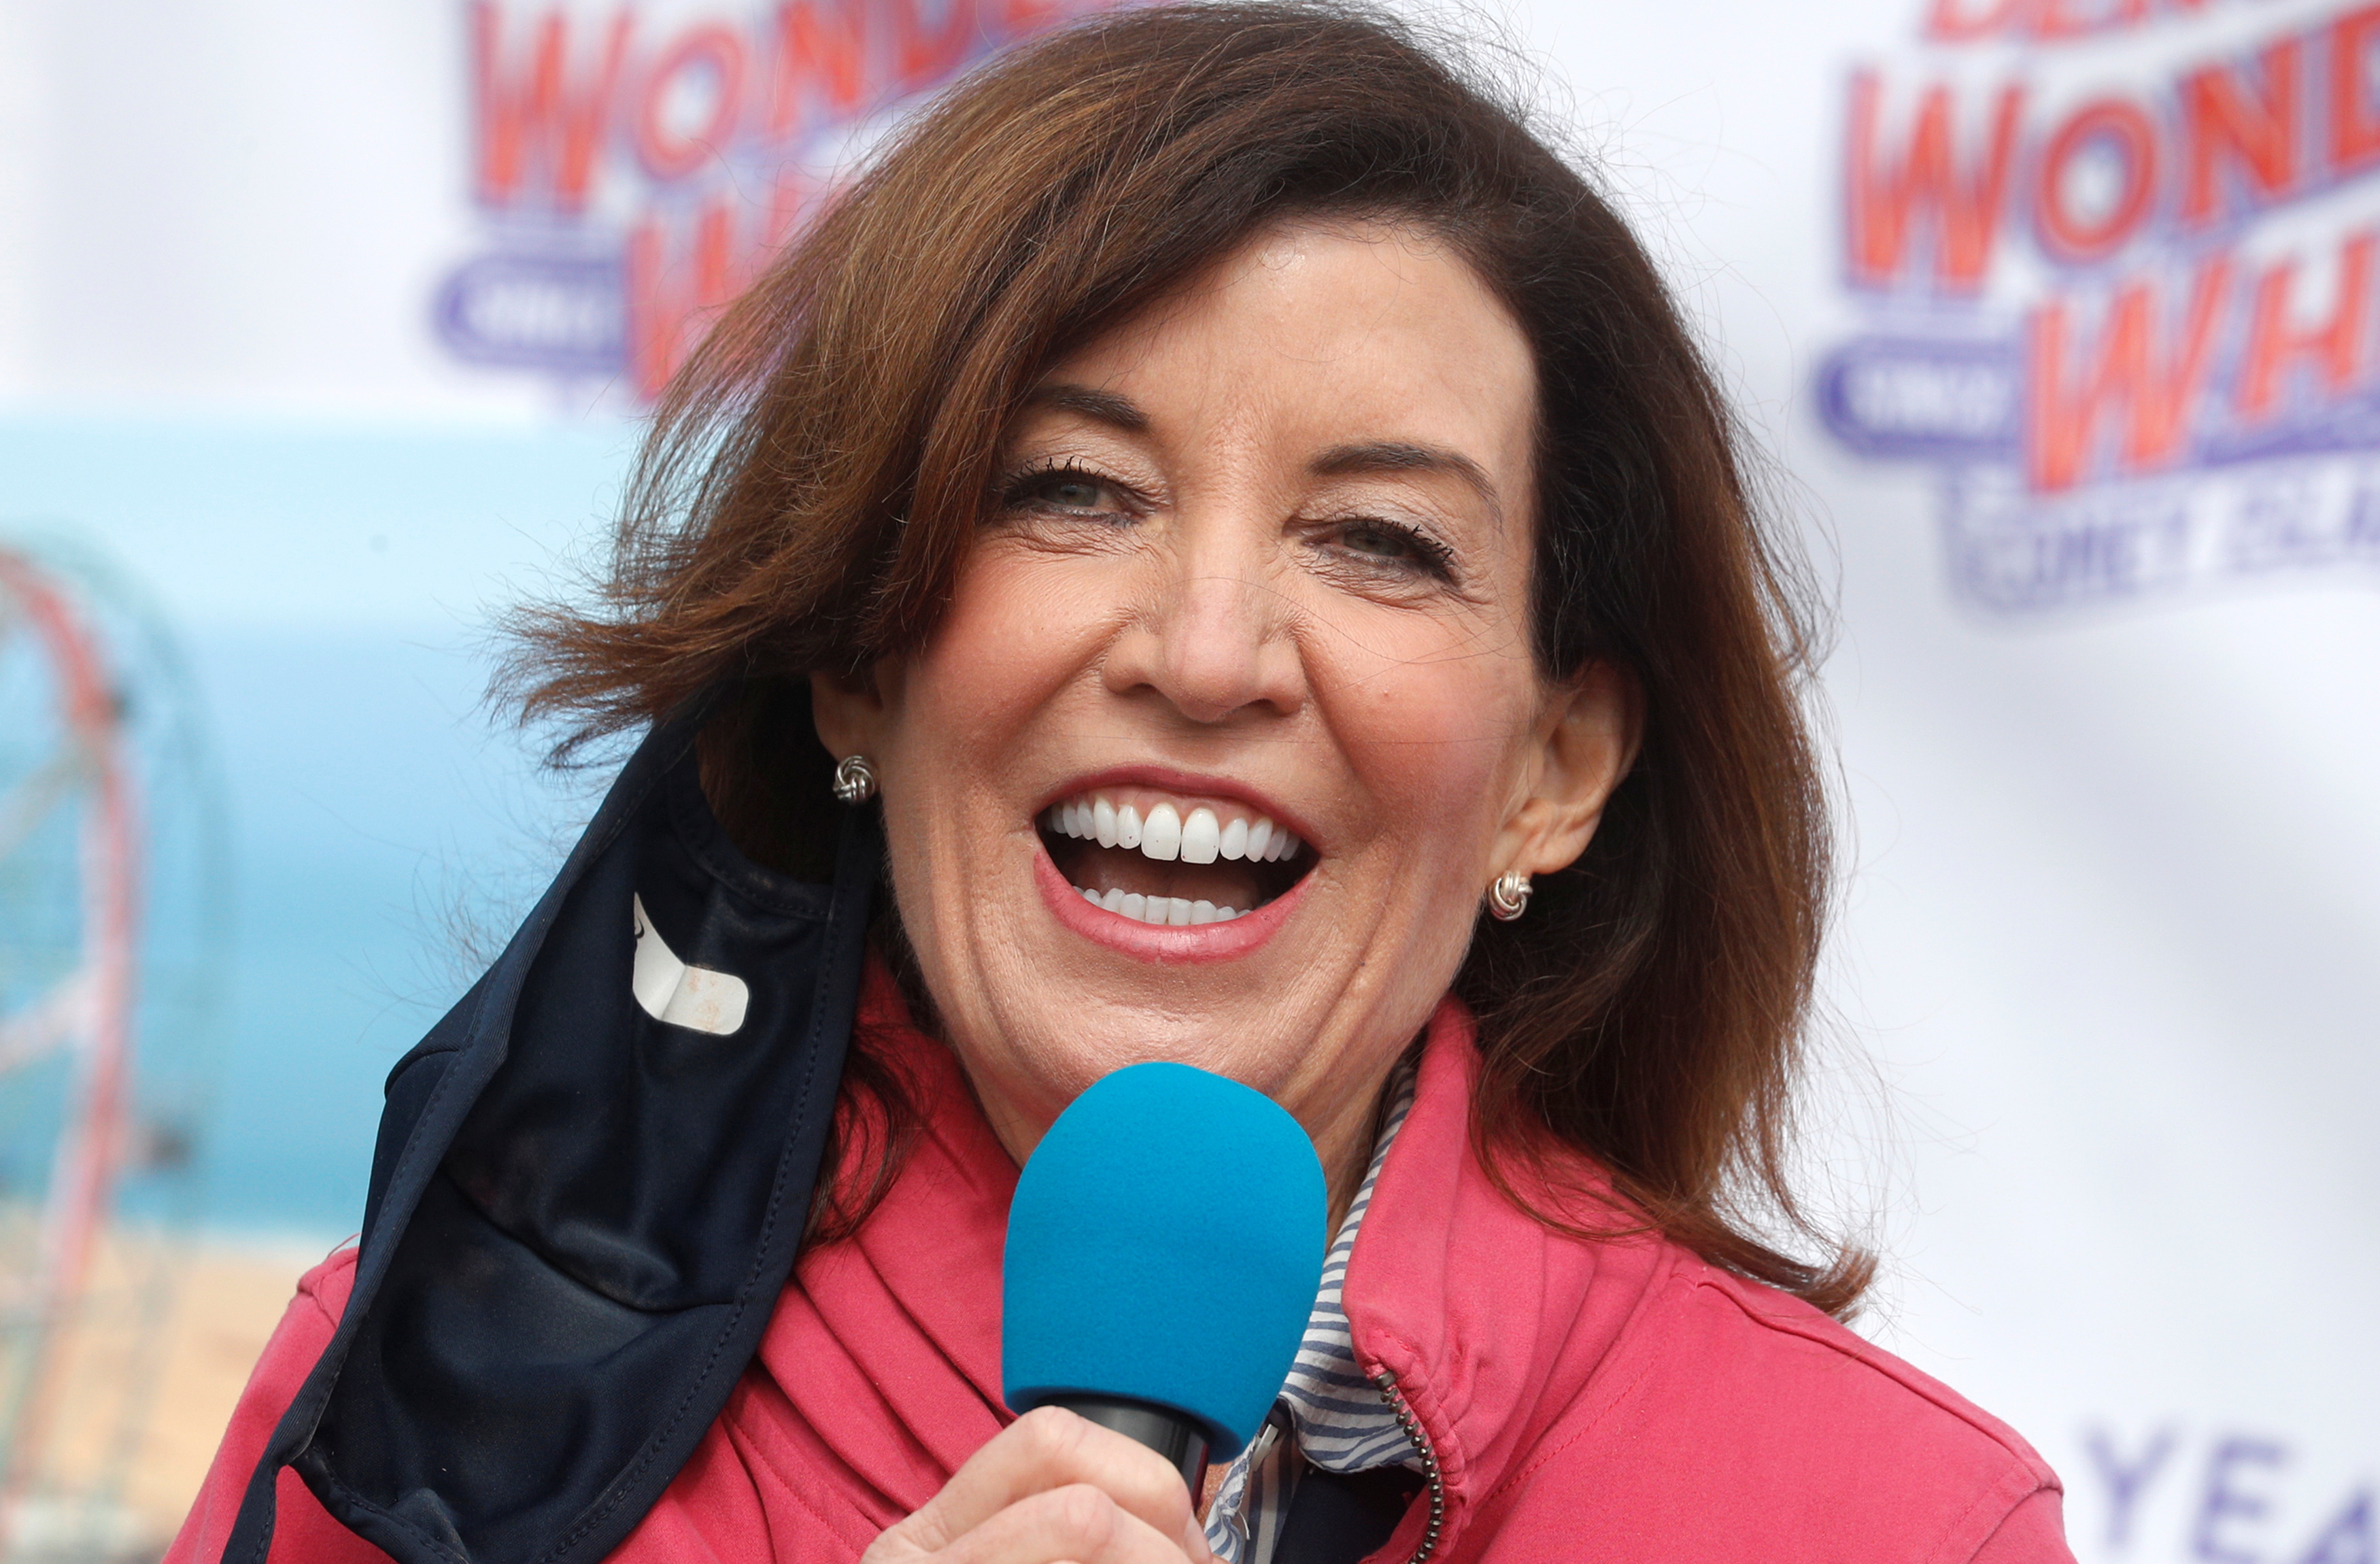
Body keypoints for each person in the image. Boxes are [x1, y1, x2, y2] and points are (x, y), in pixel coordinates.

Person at [169, 5, 2074, 1561]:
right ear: (860, 663)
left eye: (1378, 539)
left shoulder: (1891, 1526)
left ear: (1552, 772)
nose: (1208, 650)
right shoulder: (436, 1413)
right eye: (1074, 491)